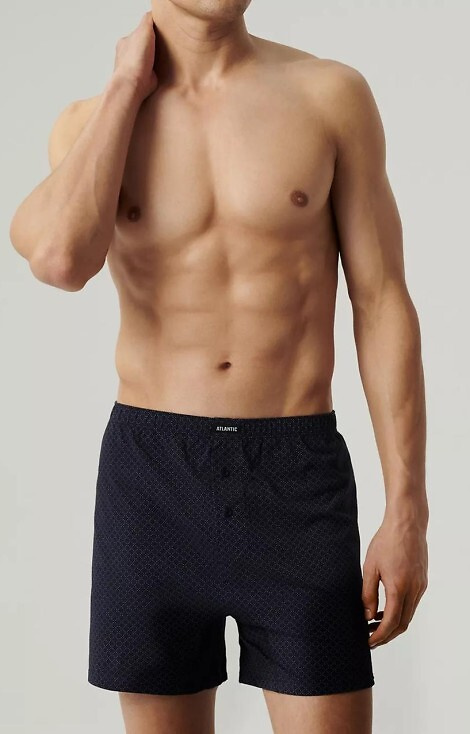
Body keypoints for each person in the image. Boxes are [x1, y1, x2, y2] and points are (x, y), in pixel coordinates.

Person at [9, 1, 429, 732]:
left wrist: (408, 509)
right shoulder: (88, 126)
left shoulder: (329, 96)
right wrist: (125, 88)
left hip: (296, 475)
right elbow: (58, 259)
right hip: (152, 480)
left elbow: (382, 299)